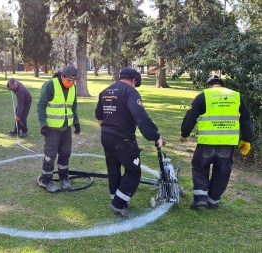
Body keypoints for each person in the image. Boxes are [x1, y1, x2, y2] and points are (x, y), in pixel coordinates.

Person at [95, 67, 163, 218]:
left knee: (113, 169)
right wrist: (154, 136)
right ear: (133, 80)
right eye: (135, 83)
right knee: (133, 171)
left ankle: (117, 198)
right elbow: (139, 114)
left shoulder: (105, 91)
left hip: (106, 136)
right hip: (123, 139)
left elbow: (99, 116)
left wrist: (108, 128)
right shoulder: (130, 91)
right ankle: (118, 204)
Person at [180, 75, 253, 209]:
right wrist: (247, 139)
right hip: (227, 143)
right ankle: (213, 201)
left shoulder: (204, 96)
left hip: (207, 143)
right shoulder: (236, 96)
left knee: (200, 167)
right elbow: (246, 119)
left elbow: (191, 116)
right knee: (222, 172)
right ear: (222, 85)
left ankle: (200, 198)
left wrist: (184, 134)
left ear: (209, 85)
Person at [37, 66, 80, 193]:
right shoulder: (50, 85)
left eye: (74, 80)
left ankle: (64, 178)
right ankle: (46, 180)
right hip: (52, 129)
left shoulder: (73, 88)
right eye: (69, 80)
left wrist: (76, 122)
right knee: (50, 155)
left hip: (66, 128)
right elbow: (41, 105)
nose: (71, 83)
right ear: (62, 76)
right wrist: (43, 124)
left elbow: (73, 107)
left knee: (65, 153)